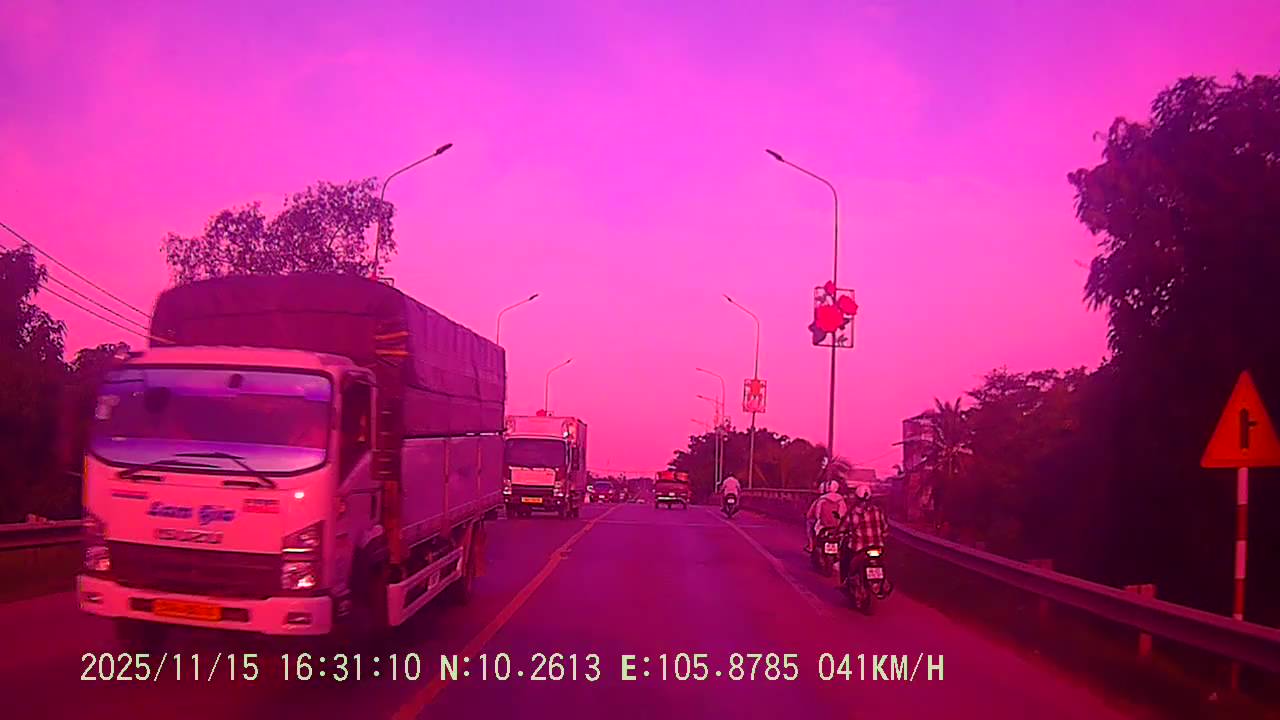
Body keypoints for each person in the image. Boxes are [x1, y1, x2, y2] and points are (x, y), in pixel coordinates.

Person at [840, 484, 890, 581]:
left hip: (859, 548)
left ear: (856, 498)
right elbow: (885, 528)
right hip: (878, 547)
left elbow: (843, 528)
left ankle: (846, 579)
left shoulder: (853, 513)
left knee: (845, 557)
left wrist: (841, 533)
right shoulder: (878, 511)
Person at [804, 479, 848, 553]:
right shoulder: (841, 499)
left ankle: (811, 545)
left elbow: (816, 515)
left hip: (823, 526)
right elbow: (843, 513)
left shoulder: (821, 499)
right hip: (838, 526)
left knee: (809, 523)